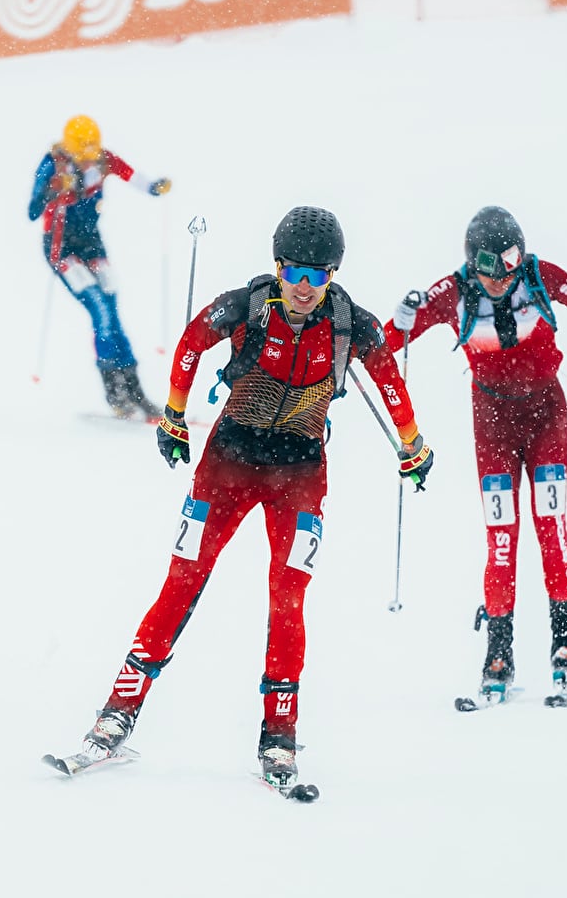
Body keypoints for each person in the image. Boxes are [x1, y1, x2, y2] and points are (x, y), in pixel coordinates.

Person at [73, 206, 435, 790]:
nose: (303, 288)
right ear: (277, 265)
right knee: (182, 580)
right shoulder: (248, 305)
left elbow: (390, 380)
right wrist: (172, 417)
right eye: (294, 272)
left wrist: (413, 446)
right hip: (228, 462)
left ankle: (279, 736)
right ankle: (117, 713)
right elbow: (193, 341)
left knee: (288, 597)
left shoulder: (350, 324)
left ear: (334, 276)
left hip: (299, 472)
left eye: (318, 276)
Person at [386, 205, 567, 705]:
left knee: (551, 527)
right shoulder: (451, 292)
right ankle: (499, 652)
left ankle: (566, 645)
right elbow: (387, 343)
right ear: (473, 263)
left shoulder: (540, 275)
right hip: (491, 422)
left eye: (510, 261)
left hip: (546, 416)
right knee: (501, 537)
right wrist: (403, 319)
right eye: (489, 266)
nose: (500, 276)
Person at [27, 114, 172, 419]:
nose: (86, 162)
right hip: (61, 249)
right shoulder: (53, 164)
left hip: (92, 245)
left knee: (111, 308)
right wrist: (53, 188)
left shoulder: (101, 161)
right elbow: (32, 210)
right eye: (82, 155)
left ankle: (133, 390)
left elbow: (128, 173)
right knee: (100, 310)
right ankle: (115, 391)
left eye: (90, 154)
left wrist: (154, 187)